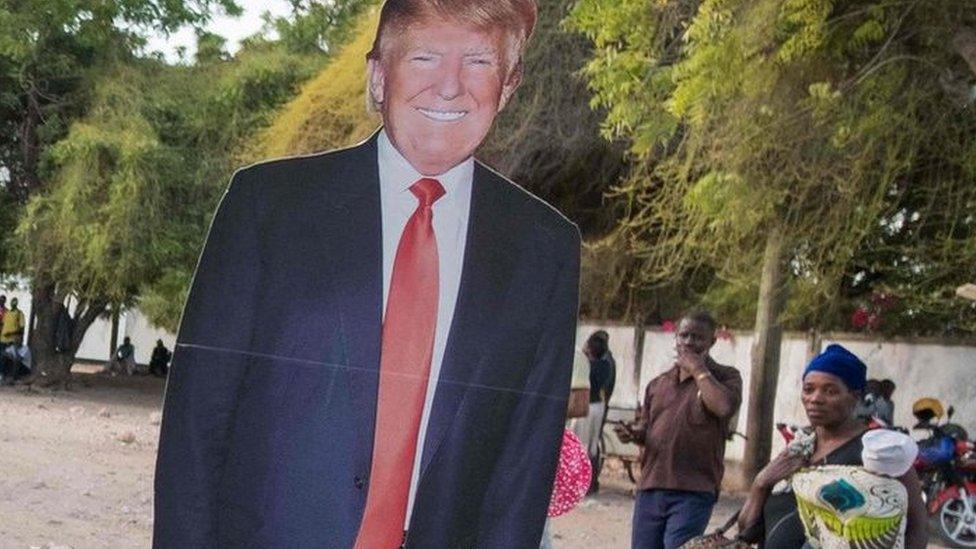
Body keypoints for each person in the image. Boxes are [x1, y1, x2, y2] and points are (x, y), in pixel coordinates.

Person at [153, 1, 581, 547]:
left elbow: (523, 469)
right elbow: (195, 426)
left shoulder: (546, 249)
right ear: (379, 76)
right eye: (425, 57)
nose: (450, 87)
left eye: (478, 62)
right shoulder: (268, 208)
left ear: (510, 85)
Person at [737, 344, 927, 548]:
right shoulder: (798, 449)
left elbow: (917, 528)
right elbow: (746, 532)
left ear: (855, 396)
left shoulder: (879, 452)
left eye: (830, 391)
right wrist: (761, 483)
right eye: (808, 389)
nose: (815, 399)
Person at [617, 311, 742, 549]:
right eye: (684, 335)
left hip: (694, 490)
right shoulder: (658, 383)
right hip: (651, 487)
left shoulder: (726, 377)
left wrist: (698, 370)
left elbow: (723, 407)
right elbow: (647, 428)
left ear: (712, 342)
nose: (689, 342)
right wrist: (634, 434)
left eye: (697, 337)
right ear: (676, 337)